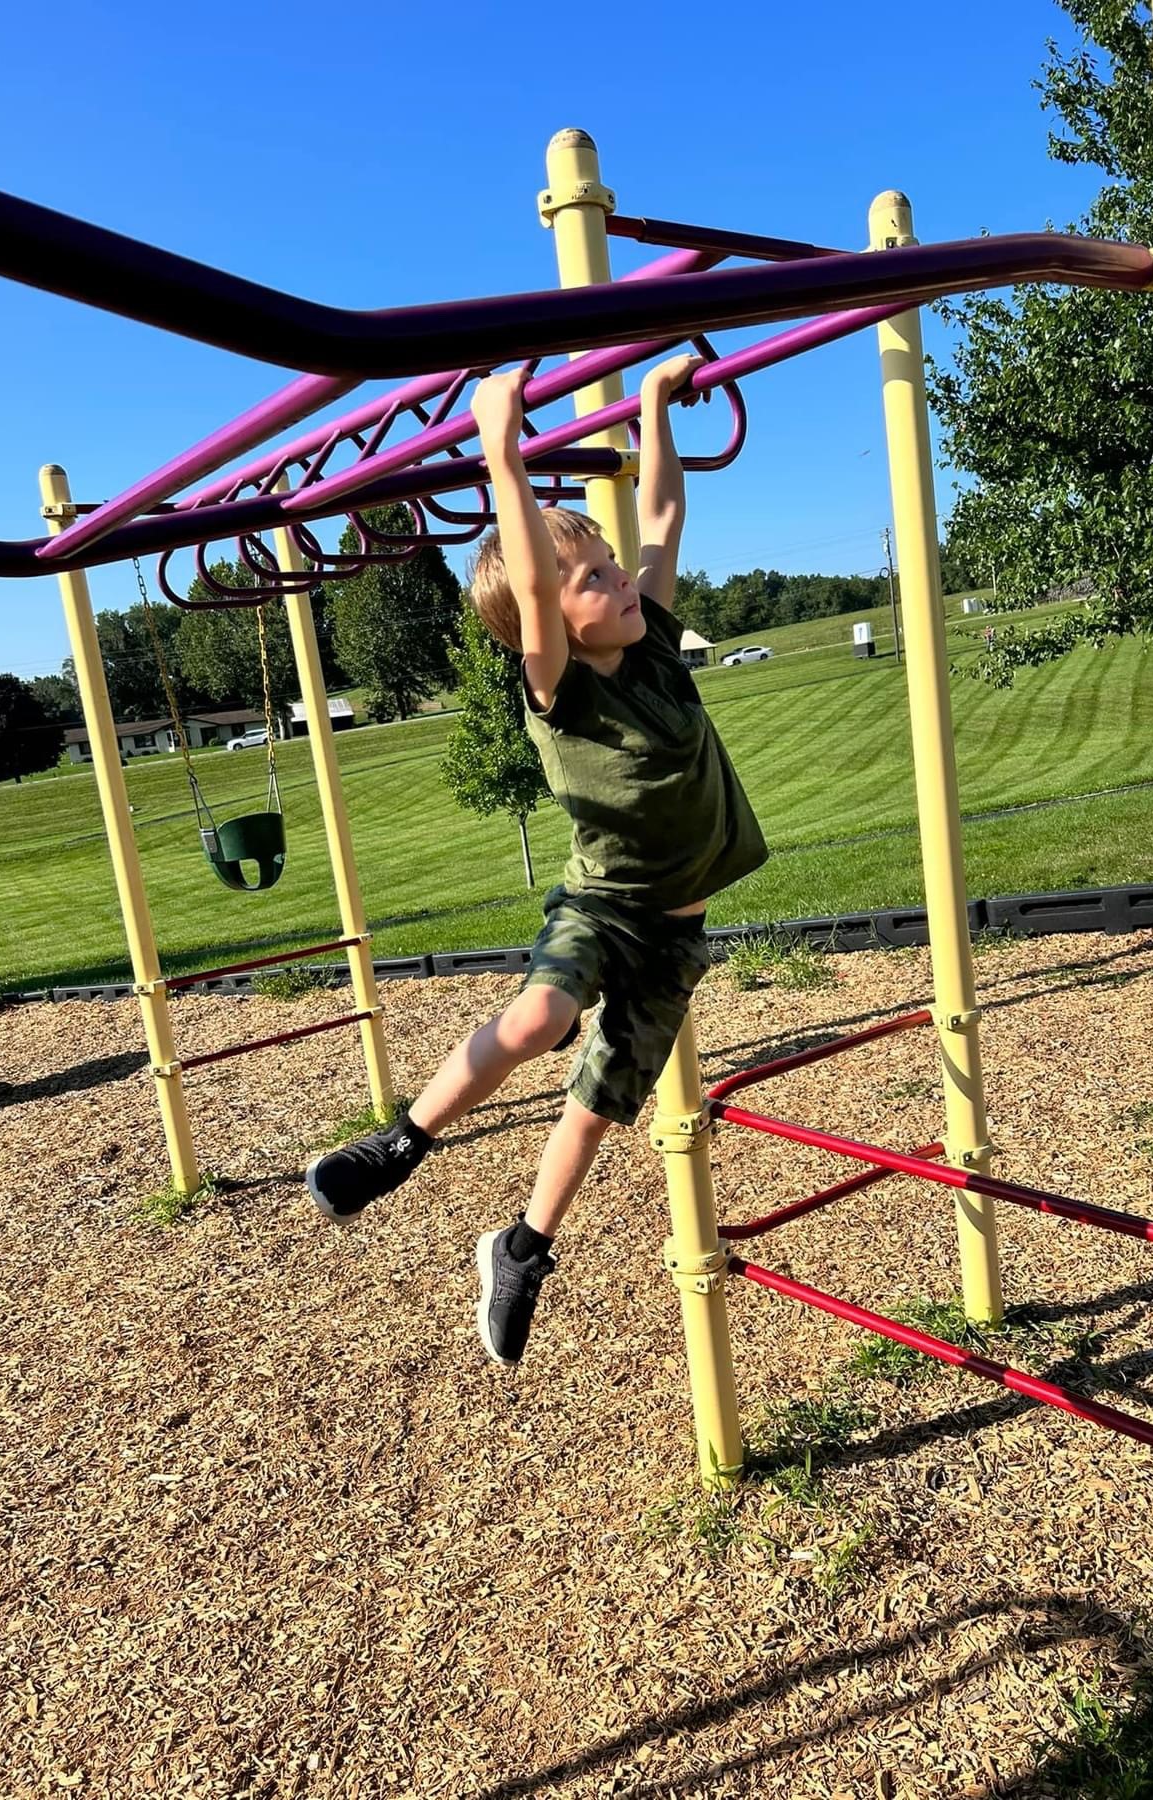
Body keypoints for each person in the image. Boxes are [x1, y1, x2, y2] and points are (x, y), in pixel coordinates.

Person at [305, 355, 767, 1367]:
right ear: (548, 621)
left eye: (606, 564)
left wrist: (651, 411)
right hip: (602, 908)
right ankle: (404, 1142)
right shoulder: (559, 685)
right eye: (588, 578)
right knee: (538, 1017)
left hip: (676, 933)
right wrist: (501, 456)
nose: (615, 578)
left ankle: (519, 1250)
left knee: (599, 1107)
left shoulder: (647, 644)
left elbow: (661, 517)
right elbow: (529, 571)